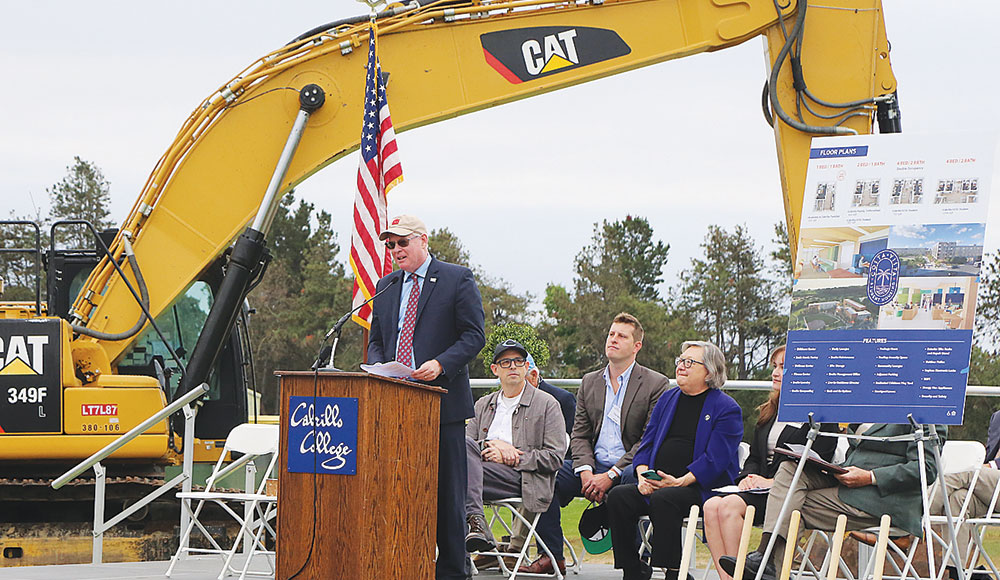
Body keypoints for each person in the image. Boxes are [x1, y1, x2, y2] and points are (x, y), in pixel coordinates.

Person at [367, 214, 486, 580]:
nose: (395, 250)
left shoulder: (456, 278)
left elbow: (473, 336)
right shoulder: (386, 287)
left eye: (402, 242)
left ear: (423, 240)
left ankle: (452, 571)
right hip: (395, 406)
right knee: (395, 490)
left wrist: (439, 364)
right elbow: (376, 341)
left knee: (448, 497)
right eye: (390, 245)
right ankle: (401, 565)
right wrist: (377, 367)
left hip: (442, 405)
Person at [521, 312, 669, 575]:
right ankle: (551, 556)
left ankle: (634, 566)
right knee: (545, 475)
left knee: (625, 486)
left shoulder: (655, 384)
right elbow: (579, 435)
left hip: (630, 467)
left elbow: (648, 440)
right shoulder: (590, 382)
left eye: (621, 336)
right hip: (592, 465)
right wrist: (587, 472)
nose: (613, 339)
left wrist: (609, 476)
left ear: (637, 346)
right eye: (611, 334)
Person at [721, 423, 947, 580]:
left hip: (882, 497)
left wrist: (869, 477)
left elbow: (926, 469)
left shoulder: (924, 407)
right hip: (848, 480)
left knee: (792, 501)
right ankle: (765, 557)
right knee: (790, 468)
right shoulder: (871, 401)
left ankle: (768, 564)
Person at [606, 340, 743, 580]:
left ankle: (674, 572)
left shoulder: (726, 408)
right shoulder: (668, 400)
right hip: (658, 483)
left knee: (665, 498)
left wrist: (680, 481)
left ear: (709, 371)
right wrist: (642, 475)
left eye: (690, 362)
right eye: (680, 360)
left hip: (701, 488)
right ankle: (632, 569)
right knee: (619, 496)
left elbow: (716, 460)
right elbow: (646, 444)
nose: (681, 366)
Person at [703, 345, 838, 580]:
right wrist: (748, 477)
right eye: (775, 366)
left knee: (726, 507)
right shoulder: (770, 411)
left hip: (789, 495)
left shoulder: (821, 414)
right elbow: (755, 456)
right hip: (759, 490)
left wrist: (771, 481)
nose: (775, 373)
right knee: (710, 506)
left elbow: (820, 461)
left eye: (784, 367)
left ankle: (746, 574)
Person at [472, 351, 576, 572]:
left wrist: (514, 456)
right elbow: (466, 445)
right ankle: (483, 539)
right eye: (505, 362)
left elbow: (556, 457)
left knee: (454, 474)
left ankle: (481, 537)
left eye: (518, 362)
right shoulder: (483, 404)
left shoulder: (548, 404)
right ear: (494, 369)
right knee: (454, 462)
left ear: (527, 367)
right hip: (481, 473)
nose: (513, 367)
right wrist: (491, 445)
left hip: (522, 477)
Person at [929, 409, 1000, 571]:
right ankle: (955, 571)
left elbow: (990, 464)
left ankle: (919, 515)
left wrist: (990, 466)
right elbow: (990, 454)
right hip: (993, 490)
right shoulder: (998, 417)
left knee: (967, 472)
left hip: (994, 478)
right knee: (958, 499)